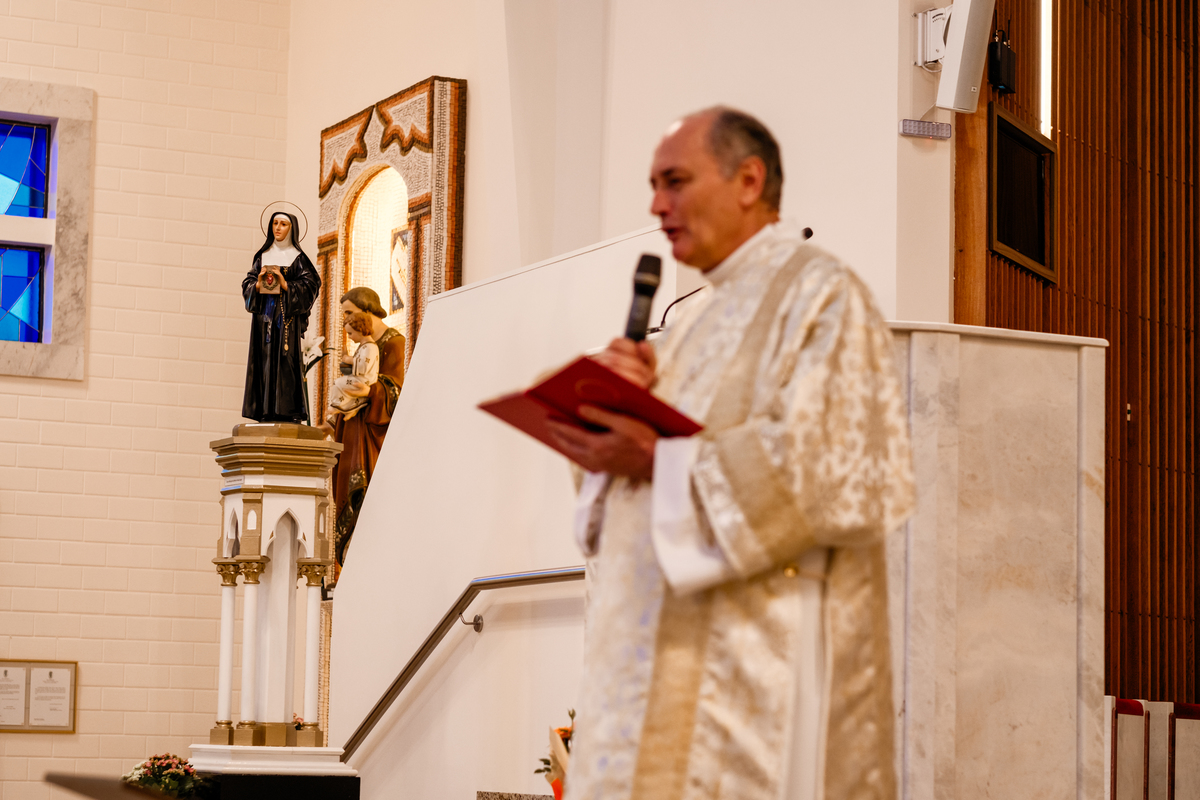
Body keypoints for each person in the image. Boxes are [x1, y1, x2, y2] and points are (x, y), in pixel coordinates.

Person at [547, 107, 915, 800]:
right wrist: (598, 425)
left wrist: (654, 458)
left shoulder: (821, 294)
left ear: (748, 180)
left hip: (750, 672)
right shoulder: (686, 325)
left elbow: (838, 468)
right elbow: (631, 487)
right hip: (649, 661)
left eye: (675, 181)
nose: (657, 204)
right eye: (653, 184)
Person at [329, 287, 405, 582]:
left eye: (349, 312)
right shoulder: (363, 345)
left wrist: (370, 390)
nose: (346, 319)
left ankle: (366, 561)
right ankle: (350, 563)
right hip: (353, 427)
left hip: (373, 432)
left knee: (364, 494)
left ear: (366, 309)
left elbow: (396, 389)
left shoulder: (392, 341)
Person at [242, 212, 321, 423]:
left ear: (291, 228)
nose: (278, 228)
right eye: (275, 223)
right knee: (263, 361)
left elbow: (312, 285)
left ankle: (285, 411)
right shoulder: (262, 256)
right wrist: (257, 284)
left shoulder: (298, 258)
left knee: (285, 362)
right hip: (263, 321)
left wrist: (286, 285)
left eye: (283, 224)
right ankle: (264, 410)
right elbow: (247, 284)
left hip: (286, 321)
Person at [325, 311, 380, 422]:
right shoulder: (365, 346)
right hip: (361, 378)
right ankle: (351, 409)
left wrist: (348, 359)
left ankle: (336, 405)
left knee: (338, 383)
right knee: (342, 384)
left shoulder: (370, 347)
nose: (349, 337)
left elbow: (364, 366)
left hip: (365, 381)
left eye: (350, 333)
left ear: (360, 330)